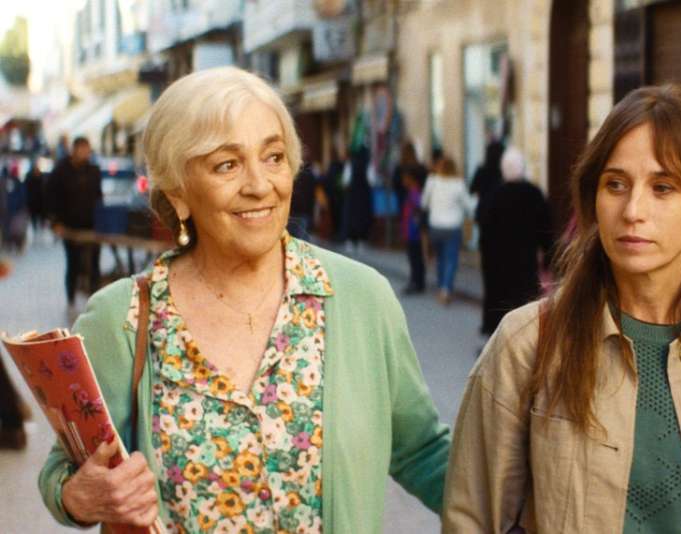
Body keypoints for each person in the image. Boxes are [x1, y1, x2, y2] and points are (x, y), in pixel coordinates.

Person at [39, 66, 449, 534]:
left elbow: (422, 450)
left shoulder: (360, 299)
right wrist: (79, 496)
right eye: (227, 165)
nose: (259, 184)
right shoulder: (123, 320)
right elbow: (64, 471)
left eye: (273, 157)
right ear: (178, 193)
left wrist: (514, 495)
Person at [442, 85, 681, 533]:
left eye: (662, 187)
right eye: (615, 184)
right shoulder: (529, 344)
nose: (633, 210)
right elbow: (472, 518)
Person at [479, 146, 553, 335]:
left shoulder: (494, 195)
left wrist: (486, 259)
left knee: (500, 301)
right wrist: (548, 256)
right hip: (524, 260)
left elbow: (485, 231)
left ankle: (499, 339)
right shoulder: (534, 194)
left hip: (499, 262)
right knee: (523, 301)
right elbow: (546, 229)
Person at [46, 137, 103, 308]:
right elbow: (50, 197)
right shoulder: (61, 171)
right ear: (75, 150)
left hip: (92, 225)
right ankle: (71, 299)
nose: (86, 153)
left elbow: (99, 196)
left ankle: (96, 300)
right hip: (69, 227)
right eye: (83, 149)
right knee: (73, 263)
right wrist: (55, 222)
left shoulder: (93, 170)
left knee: (94, 263)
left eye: (88, 150)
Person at [422, 156, 474, 305]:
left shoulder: (432, 182)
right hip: (452, 227)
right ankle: (445, 289)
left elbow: (424, 203)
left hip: (435, 226)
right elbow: (468, 206)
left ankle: (441, 285)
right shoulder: (458, 184)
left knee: (440, 258)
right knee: (451, 259)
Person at [401, 169, 426, 294]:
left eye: (406, 178)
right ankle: (417, 281)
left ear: (412, 179)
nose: (403, 181)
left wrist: (415, 227)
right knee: (414, 257)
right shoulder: (412, 192)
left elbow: (419, 208)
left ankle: (416, 282)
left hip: (413, 232)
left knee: (415, 258)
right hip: (410, 231)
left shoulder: (415, 193)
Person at [25, 156, 47, 235]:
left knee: (41, 219)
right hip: (32, 202)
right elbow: (26, 190)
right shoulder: (29, 177)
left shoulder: (42, 177)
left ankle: (40, 231)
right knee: (33, 218)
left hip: (41, 202)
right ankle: (35, 231)